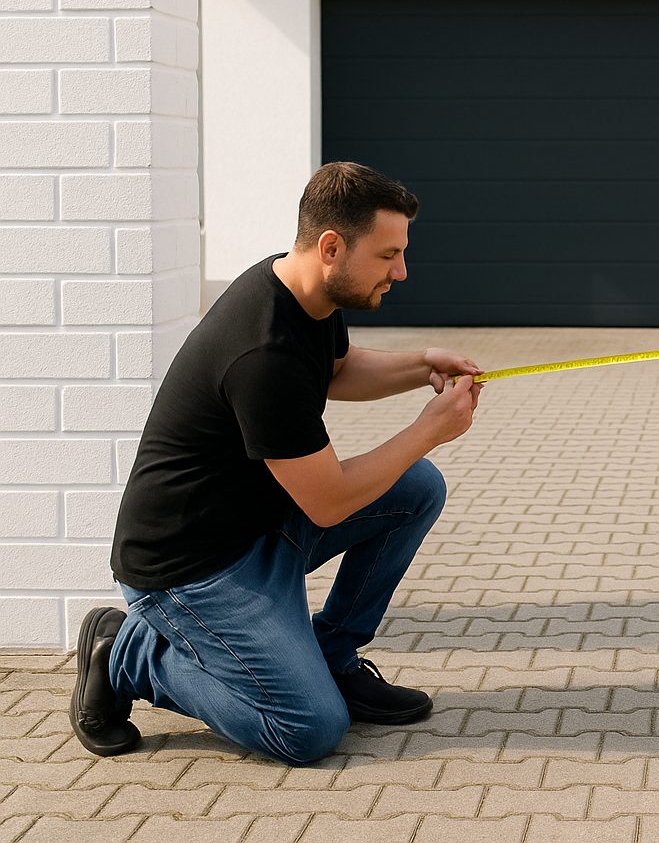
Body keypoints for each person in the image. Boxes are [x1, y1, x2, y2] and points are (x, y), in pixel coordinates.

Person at [70, 162, 486, 765]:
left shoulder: (303, 292)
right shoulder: (262, 352)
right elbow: (331, 500)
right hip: (192, 572)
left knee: (413, 488)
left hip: (258, 527)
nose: (401, 271)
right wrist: (428, 430)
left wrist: (422, 362)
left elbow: (338, 369)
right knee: (308, 729)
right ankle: (129, 654)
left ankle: (333, 658)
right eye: (388, 255)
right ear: (332, 247)